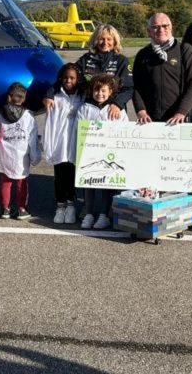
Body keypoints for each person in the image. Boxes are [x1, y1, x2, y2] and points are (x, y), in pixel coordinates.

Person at [42, 23, 133, 120]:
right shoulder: (86, 59)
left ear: (115, 41)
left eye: (109, 39)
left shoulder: (122, 61)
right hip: (88, 111)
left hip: (112, 111)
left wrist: (117, 103)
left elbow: (129, 87)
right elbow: (69, 77)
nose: (105, 42)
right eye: (101, 39)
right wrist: (50, 94)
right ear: (96, 40)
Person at [76, 74, 128, 229]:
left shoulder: (117, 109)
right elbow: (77, 131)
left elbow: (124, 131)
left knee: (106, 185)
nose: (100, 94)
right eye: (96, 90)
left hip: (109, 154)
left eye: (104, 91)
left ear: (111, 91)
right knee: (89, 185)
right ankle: (89, 213)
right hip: (89, 154)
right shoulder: (85, 108)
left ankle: (104, 214)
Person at [132, 12, 192, 125]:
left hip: (179, 119)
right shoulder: (143, 54)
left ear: (171, 28)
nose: (161, 30)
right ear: (148, 31)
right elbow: (136, 86)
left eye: (165, 26)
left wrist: (181, 112)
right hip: (149, 120)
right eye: (155, 27)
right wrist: (141, 110)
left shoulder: (185, 50)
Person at [42, 63, 84, 224]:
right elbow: (49, 123)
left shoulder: (83, 96)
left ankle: (71, 205)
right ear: (61, 78)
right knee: (59, 176)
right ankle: (60, 205)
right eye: (65, 77)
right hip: (60, 143)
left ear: (77, 79)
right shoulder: (55, 97)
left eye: (72, 78)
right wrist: (48, 145)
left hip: (75, 143)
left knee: (72, 176)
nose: (68, 80)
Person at [0, 82, 40, 220]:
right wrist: (35, 157)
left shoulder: (1, 115)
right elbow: (33, 139)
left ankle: (5, 209)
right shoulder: (28, 116)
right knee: (22, 182)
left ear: (9, 98)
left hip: (5, 154)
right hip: (22, 155)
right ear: (24, 98)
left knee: (6, 181)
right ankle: (21, 209)